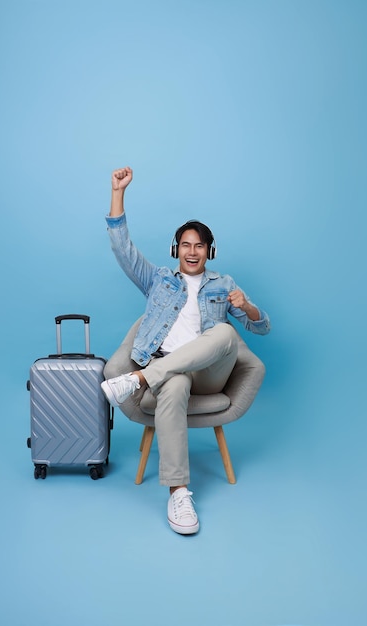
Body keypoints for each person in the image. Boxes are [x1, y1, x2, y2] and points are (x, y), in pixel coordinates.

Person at [102, 166, 270, 535]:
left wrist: (248, 306)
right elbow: (122, 248)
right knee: (174, 383)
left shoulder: (223, 284)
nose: (192, 252)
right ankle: (178, 493)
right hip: (169, 371)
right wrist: (118, 193)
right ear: (175, 249)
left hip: (209, 374)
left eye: (200, 245)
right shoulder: (158, 280)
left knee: (225, 332)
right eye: (186, 245)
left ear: (209, 251)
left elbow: (261, 327)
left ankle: (138, 379)